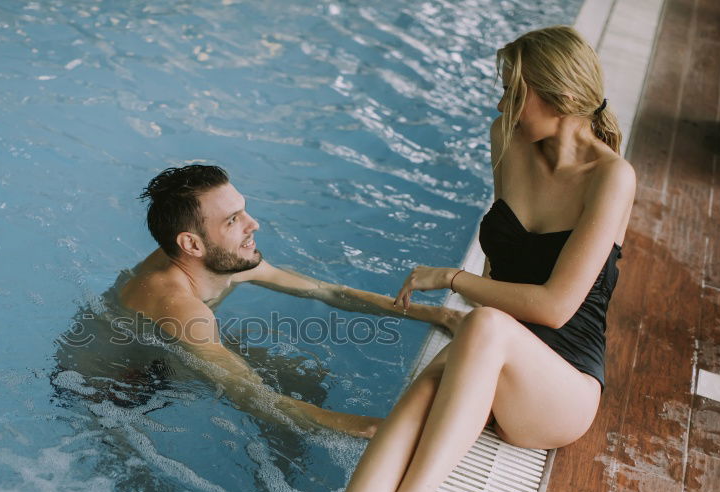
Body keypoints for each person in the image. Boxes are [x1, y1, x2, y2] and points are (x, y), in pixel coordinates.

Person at [286, 25, 634, 492]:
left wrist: (451, 279)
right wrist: (468, 315)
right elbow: (501, 272)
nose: (502, 106)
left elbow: (553, 306)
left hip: (562, 389)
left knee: (486, 325)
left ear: (562, 98)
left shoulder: (611, 178)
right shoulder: (507, 138)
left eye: (514, 92)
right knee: (418, 397)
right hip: (495, 352)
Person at [118, 164, 463, 438]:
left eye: (244, 211)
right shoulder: (180, 305)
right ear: (192, 245)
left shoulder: (223, 258)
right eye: (233, 220)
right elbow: (249, 393)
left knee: (304, 379)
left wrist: (438, 314)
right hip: (120, 387)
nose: (254, 224)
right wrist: (370, 428)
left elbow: (325, 291)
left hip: (170, 348)